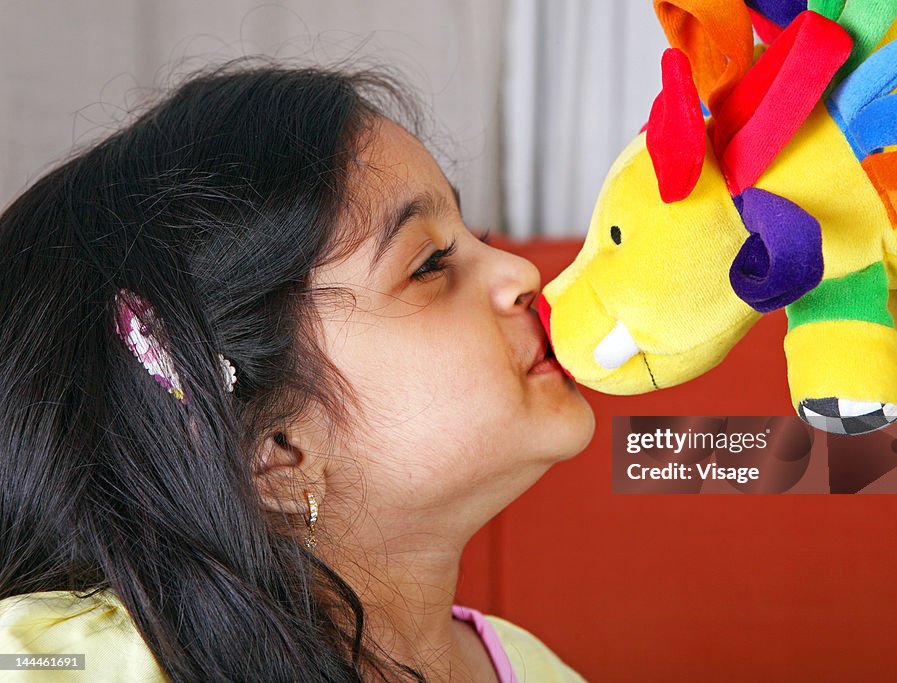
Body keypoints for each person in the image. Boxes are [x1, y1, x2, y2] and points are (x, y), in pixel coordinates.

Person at [0, 59, 594, 682]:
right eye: (430, 263)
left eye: (475, 235)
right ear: (278, 454)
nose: (520, 272)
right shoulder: (65, 663)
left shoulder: (534, 670)